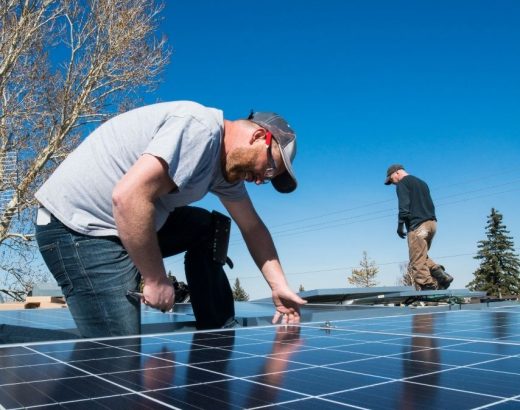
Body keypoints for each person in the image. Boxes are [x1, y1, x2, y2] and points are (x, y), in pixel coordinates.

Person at [35, 101, 306, 338]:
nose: (261, 180)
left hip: (125, 221)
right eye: (269, 168)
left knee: (208, 228)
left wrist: (279, 285)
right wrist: (155, 279)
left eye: (269, 179)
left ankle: (217, 328)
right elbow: (128, 197)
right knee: (118, 356)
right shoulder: (199, 129)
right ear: (259, 136)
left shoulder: (225, 172)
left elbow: (252, 227)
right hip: (79, 229)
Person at [384, 164, 453, 290]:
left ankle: (427, 286)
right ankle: (441, 275)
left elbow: (403, 207)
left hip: (418, 226)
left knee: (416, 260)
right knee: (421, 255)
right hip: (431, 224)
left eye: (391, 180)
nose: (393, 183)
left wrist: (400, 225)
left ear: (396, 173)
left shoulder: (402, 184)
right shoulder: (422, 183)